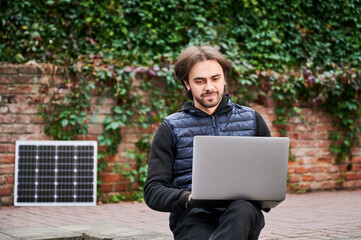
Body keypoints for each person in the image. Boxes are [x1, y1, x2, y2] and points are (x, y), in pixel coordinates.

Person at [144, 45, 271, 240]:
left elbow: (268, 180)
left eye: (215, 78)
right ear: (187, 83)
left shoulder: (253, 120)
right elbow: (153, 191)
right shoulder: (170, 128)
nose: (209, 87)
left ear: (224, 79)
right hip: (193, 215)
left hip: (242, 213)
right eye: (199, 81)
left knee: (243, 209)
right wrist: (188, 198)